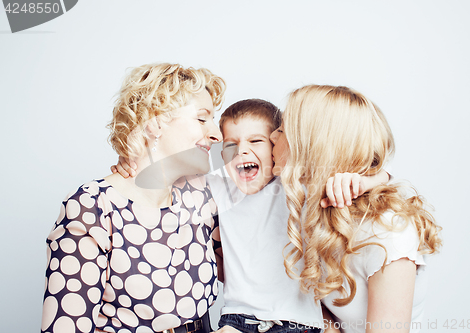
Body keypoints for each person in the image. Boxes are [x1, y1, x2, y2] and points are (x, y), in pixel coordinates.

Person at [113, 98, 390, 333]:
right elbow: (162, 175)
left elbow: (382, 178)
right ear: (221, 154)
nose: (242, 150)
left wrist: (371, 179)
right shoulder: (217, 188)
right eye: (231, 144)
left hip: (300, 324)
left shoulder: (297, 187)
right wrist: (132, 160)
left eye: (256, 141)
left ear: (276, 148)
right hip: (237, 322)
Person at [41, 63, 226, 333]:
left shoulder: (201, 195)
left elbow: (250, 275)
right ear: (155, 120)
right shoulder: (93, 207)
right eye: (201, 118)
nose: (216, 134)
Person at [269, 85, 442, 333]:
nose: (273, 137)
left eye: (283, 129)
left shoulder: (386, 233)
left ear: (313, 145)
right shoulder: (315, 210)